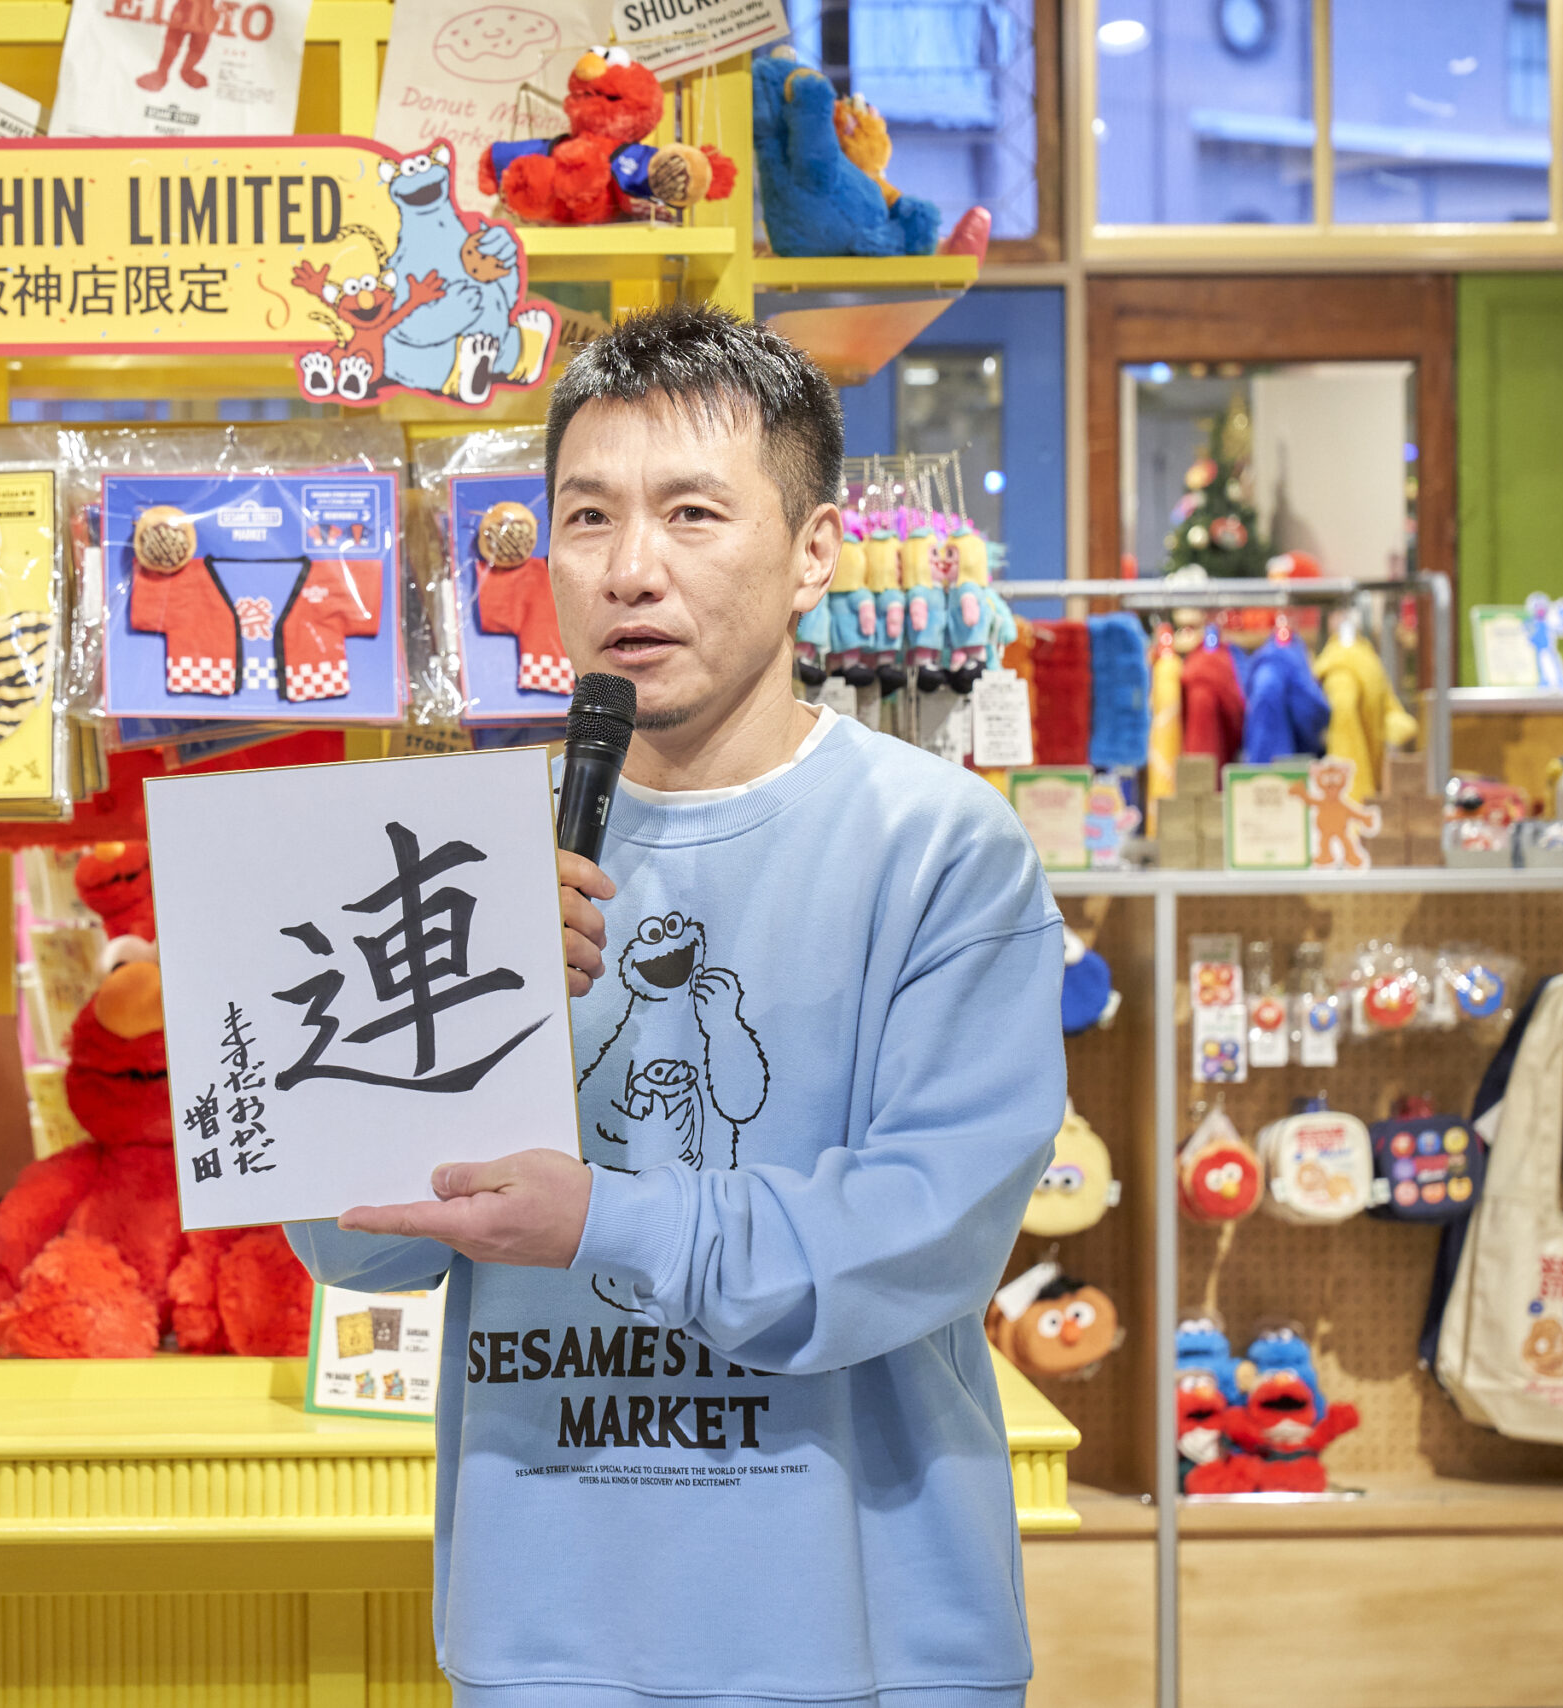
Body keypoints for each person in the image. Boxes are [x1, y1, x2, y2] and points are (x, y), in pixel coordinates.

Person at [288, 302, 1067, 1708]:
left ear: (815, 551)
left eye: (694, 513)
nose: (630, 567)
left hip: (871, 1642)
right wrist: (443, 1038)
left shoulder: (942, 848)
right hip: (547, 1638)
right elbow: (358, 1252)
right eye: (586, 517)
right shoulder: (452, 857)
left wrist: (604, 1219)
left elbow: (926, 1231)